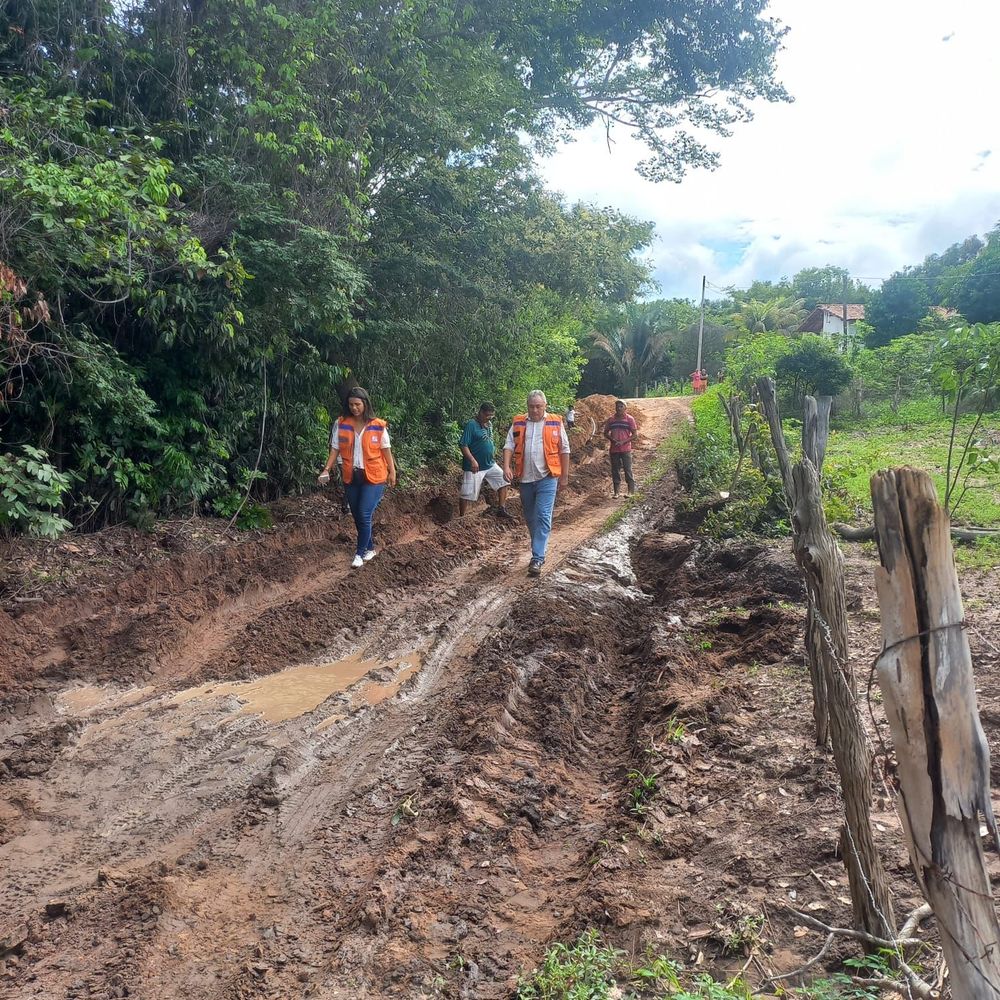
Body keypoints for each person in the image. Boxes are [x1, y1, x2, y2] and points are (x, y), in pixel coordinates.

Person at [318, 387, 397, 568]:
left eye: (357, 404)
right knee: (357, 515)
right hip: (351, 475)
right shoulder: (342, 423)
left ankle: (359, 554)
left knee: (364, 512)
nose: (354, 408)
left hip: (375, 476)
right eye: (351, 404)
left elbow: (386, 451)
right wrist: (327, 469)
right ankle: (369, 549)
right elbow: (335, 448)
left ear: (365, 404)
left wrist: (392, 472)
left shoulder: (377, 425)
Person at [502, 390, 570, 577]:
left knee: (542, 516)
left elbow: (565, 449)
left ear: (545, 406)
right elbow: (509, 445)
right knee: (531, 518)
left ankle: (538, 557)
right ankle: (538, 548)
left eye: (538, 406)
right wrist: (506, 466)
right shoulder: (518, 422)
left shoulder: (555, 422)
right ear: (527, 406)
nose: (535, 410)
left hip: (547, 478)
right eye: (531, 406)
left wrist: (564, 476)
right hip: (525, 479)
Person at [459, 402, 513, 518]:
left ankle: (501, 509)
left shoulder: (488, 424)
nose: (489, 418)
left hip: (489, 464)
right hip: (474, 467)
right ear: (481, 412)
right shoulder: (471, 425)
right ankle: (461, 517)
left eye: (491, 416)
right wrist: (472, 460)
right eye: (487, 415)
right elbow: (463, 445)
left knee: (504, 480)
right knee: (467, 493)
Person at [603, 399, 637, 498]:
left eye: (621, 406)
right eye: (617, 406)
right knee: (615, 470)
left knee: (628, 469)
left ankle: (631, 491)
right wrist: (613, 440)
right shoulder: (611, 420)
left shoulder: (630, 419)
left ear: (625, 408)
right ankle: (616, 492)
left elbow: (635, 434)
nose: (619, 408)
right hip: (614, 449)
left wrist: (623, 441)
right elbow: (605, 433)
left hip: (626, 449)